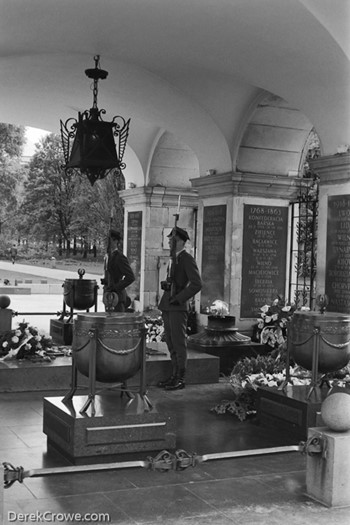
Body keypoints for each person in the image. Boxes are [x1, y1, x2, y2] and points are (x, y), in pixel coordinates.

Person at [158, 226, 202, 390]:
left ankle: (180, 378)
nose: (169, 241)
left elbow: (197, 283)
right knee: (170, 341)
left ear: (181, 242)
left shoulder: (186, 259)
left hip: (177, 306)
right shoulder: (173, 258)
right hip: (168, 305)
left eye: (172, 239)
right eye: (170, 239)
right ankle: (173, 375)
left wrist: (180, 298)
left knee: (178, 342)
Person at [102, 229, 135, 312]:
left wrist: (116, 287)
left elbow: (130, 277)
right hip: (108, 297)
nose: (107, 243)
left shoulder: (119, 257)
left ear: (115, 241)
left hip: (117, 298)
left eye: (109, 241)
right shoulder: (108, 256)